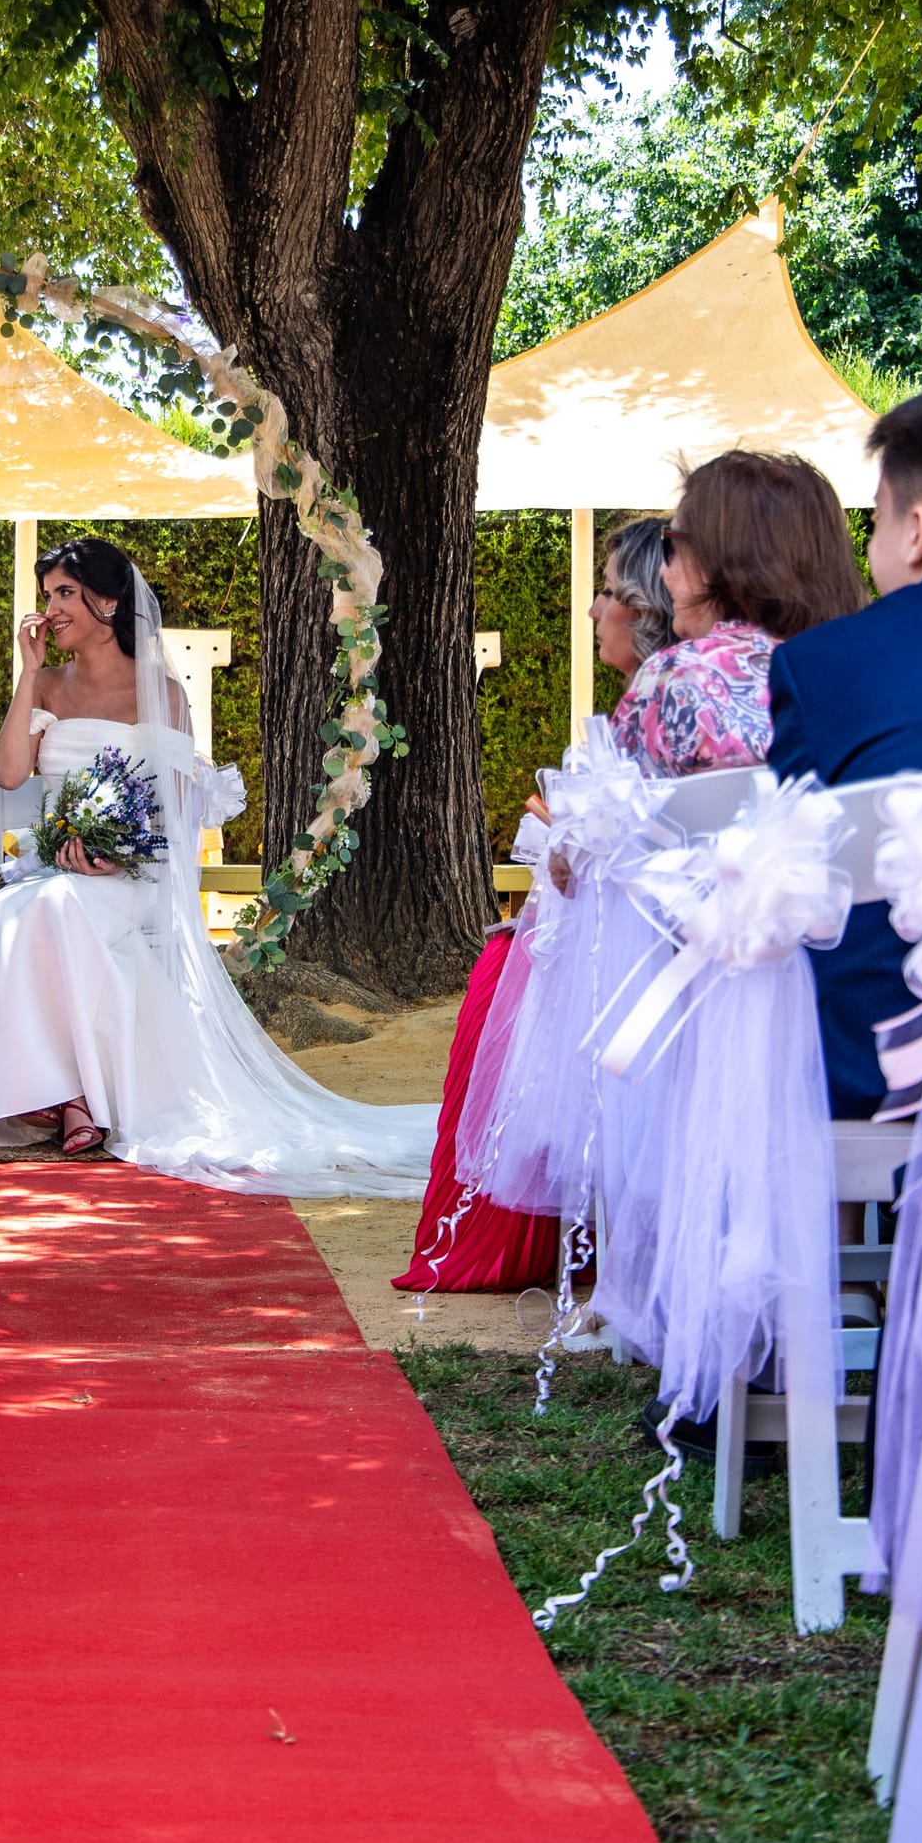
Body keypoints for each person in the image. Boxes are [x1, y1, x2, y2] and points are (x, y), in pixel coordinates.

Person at [0, 537, 435, 1195]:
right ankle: (71, 1096)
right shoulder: (46, 685)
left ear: (108, 601)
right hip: (58, 869)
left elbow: (174, 807)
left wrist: (114, 852)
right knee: (7, 910)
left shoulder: (161, 692)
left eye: (65, 593)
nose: (50, 609)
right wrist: (28, 674)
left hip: (132, 874)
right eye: (47, 595)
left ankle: (73, 1097)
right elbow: (10, 773)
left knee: (52, 907)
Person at [395, 518, 676, 1294]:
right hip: (614, 930)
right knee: (497, 963)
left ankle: (534, 1237)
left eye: (607, 593)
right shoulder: (645, 700)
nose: (592, 610)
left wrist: (565, 852)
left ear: (645, 607)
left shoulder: (663, 701)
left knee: (496, 976)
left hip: (640, 952)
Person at [770, 394, 922, 1117]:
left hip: (877, 1070)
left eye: (877, 520)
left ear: (916, 530)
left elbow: (788, 882)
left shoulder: (820, 665)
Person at [611, 450, 864, 776]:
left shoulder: (681, 676)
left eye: (670, 546)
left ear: (719, 558)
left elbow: (609, 799)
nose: (663, 571)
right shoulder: (873, 674)